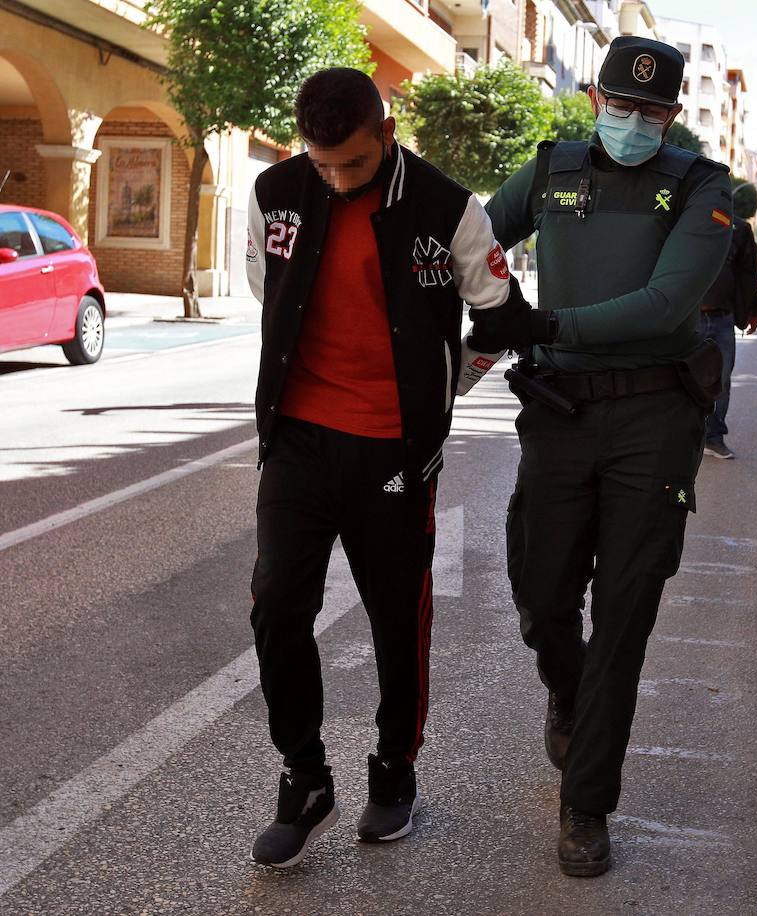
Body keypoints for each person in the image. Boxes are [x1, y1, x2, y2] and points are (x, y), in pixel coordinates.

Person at [244, 67, 523, 868]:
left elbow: (501, 315)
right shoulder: (276, 195)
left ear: (388, 131)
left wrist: (450, 387)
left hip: (395, 449)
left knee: (396, 619)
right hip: (299, 439)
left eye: (353, 166)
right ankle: (305, 776)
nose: (335, 180)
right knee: (275, 608)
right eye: (321, 164)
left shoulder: (448, 207)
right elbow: (273, 303)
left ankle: (394, 771)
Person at [473, 36, 733, 877]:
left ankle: (586, 804)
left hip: (654, 419)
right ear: (595, 97)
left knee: (623, 615)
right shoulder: (553, 169)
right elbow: (473, 235)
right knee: (542, 591)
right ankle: (567, 688)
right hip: (561, 413)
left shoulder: (702, 189)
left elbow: (666, 306)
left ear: (674, 116)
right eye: (621, 105)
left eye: (652, 111)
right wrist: (469, 295)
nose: (633, 121)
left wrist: (544, 326)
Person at [698, 183, 757, 459]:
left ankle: (713, 437)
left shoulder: (739, 229)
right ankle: (685, 436)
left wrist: (754, 308)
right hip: (688, 319)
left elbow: (749, 272)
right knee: (682, 378)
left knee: (721, 380)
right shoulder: (688, 225)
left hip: (723, 319)